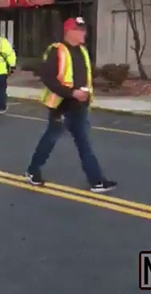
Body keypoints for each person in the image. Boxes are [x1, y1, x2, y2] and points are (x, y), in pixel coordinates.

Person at [25, 17, 117, 193]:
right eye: (80, 30)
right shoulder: (56, 51)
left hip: (79, 106)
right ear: (69, 32)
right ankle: (32, 170)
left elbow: (84, 77)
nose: (84, 33)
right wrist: (72, 93)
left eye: (84, 29)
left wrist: (85, 96)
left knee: (84, 143)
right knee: (50, 139)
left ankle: (97, 180)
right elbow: (48, 78)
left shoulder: (82, 51)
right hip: (62, 105)